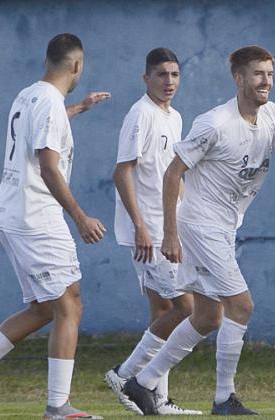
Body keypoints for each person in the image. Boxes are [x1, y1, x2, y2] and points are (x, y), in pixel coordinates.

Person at [122, 45, 275, 416]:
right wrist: (170, 234)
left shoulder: (270, 115)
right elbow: (173, 172)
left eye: (270, 74)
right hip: (200, 224)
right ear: (239, 78)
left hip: (224, 226)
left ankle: (141, 383)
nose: (266, 81)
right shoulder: (215, 122)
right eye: (258, 74)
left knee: (208, 316)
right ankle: (224, 398)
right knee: (242, 305)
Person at [0, 33, 111, 420]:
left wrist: (79, 109)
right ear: (77, 66)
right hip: (36, 215)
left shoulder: (29, 96)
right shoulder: (50, 104)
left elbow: (42, 128)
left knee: (44, 307)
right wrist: (81, 217)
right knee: (70, 303)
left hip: (11, 214)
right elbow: (49, 165)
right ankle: (58, 406)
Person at [104, 47, 201, 416]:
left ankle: (157, 400)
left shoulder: (174, 117)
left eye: (175, 75)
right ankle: (125, 374)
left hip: (170, 228)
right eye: (161, 75)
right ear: (147, 78)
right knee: (186, 307)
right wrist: (142, 227)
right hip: (150, 234)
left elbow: (172, 174)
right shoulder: (140, 114)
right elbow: (122, 171)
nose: (169, 82)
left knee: (162, 311)